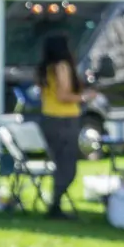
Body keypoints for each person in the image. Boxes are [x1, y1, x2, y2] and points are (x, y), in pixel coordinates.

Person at [37, 34, 90, 217]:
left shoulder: (45, 69)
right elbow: (63, 96)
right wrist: (84, 97)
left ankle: (56, 203)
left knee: (59, 163)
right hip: (64, 119)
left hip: (48, 118)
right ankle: (55, 204)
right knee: (68, 166)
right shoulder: (62, 67)